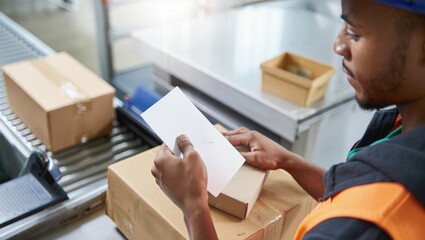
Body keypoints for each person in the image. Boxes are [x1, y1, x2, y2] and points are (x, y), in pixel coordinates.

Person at [151, 0, 425, 239]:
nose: (338, 44)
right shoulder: (404, 126)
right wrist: (288, 160)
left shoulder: (361, 228)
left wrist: (193, 205)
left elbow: (369, 202)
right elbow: (358, 188)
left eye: (354, 32)